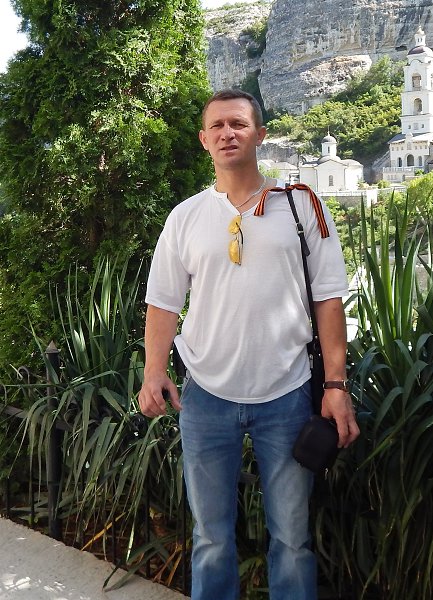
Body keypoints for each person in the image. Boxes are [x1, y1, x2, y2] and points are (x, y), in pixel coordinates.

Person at [138, 89, 360, 600]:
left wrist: (335, 385)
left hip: (287, 394)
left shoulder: (302, 206)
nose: (227, 133)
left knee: (293, 539)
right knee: (210, 538)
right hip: (205, 397)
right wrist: (154, 371)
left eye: (238, 124)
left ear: (260, 134)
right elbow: (163, 303)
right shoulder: (186, 217)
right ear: (204, 140)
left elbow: (329, 300)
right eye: (217, 126)